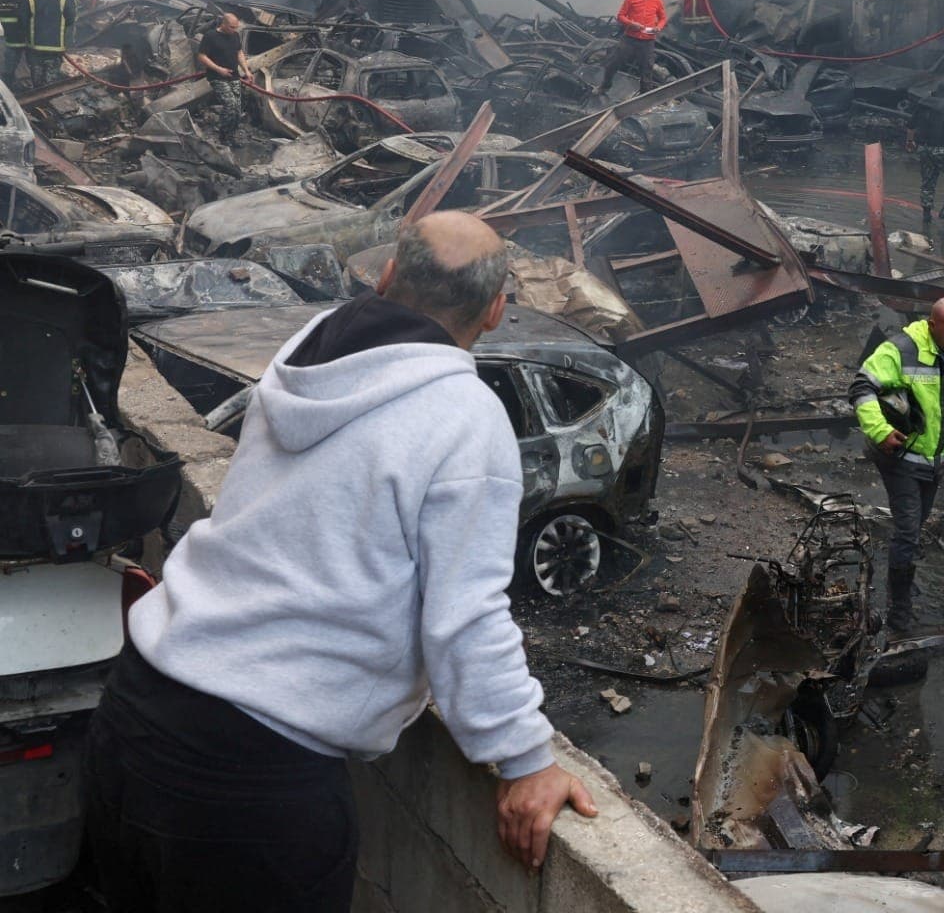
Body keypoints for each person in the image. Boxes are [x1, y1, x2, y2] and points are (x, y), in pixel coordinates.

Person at [86, 213, 597, 912]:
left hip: (135, 713)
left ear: (385, 276)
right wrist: (526, 757)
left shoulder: (310, 351)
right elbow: (466, 615)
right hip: (252, 785)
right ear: (498, 308)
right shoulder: (465, 418)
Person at [849, 298, 944, 632]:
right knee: (908, 531)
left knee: (916, 523)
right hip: (901, 457)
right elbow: (861, 386)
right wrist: (879, 431)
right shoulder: (901, 350)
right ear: (931, 324)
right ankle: (899, 609)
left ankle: (901, 578)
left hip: (937, 462)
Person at [906, 81, 944, 230]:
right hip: (942, 150)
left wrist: (910, 141)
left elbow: (911, 125)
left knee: (928, 181)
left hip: (924, 149)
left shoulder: (923, 102)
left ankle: (927, 215)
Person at [603, 0, 666, 93]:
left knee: (646, 70)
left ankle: (644, 99)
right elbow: (621, 16)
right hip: (630, 38)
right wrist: (632, 24)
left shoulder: (657, 0)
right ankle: (605, 86)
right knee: (613, 63)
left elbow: (663, 18)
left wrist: (659, 27)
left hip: (648, 41)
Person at [197, 12, 251, 139]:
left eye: (236, 27)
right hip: (217, 77)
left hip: (234, 76)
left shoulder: (235, 35)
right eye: (232, 27)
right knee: (230, 104)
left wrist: (246, 70)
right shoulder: (210, 36)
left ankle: (231, 135)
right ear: (223, 24)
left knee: (237, 109)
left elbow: (239, 53)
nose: (234, 30)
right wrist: (218, 69)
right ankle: (223, 135)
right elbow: (201, 56)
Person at [23, 0, 77, 90]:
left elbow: (22, 20)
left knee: (37, 84)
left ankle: (39, 104)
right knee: (51, 85)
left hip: (35, 49)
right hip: (55, 49)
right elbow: (70, 19)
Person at [0, 0, 27, 90]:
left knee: (7, 72)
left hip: (5, 43)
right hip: (25, 43)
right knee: (24, 73)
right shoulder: (26, 0)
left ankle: (7, 89)